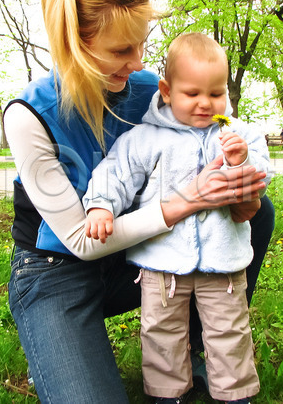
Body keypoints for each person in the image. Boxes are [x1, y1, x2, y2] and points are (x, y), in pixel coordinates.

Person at [3, 0, 275, 403]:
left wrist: (242, 190)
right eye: (120, 51)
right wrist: (183, 203)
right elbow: (80, 240)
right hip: (57, 268)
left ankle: (194, 345)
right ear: (75, 44)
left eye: (140, 46)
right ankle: (56, 340)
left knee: (257, 214)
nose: (138, 62)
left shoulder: (150, 88)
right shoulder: (28, 116)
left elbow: (214, 138)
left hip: (138, 254)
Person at [83, 33, 270, 403]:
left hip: (223, 258)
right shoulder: (146, 137)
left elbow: (260, 178)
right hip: (162, 261)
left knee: (229, 329)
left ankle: (234, 394)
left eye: (216, 94)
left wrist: (241, 162)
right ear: (167, 91)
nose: (206, 103)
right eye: (192, 94)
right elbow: (116, 173)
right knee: (161, 331)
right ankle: (167, 393)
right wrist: (101, 205)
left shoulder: (238, 135)